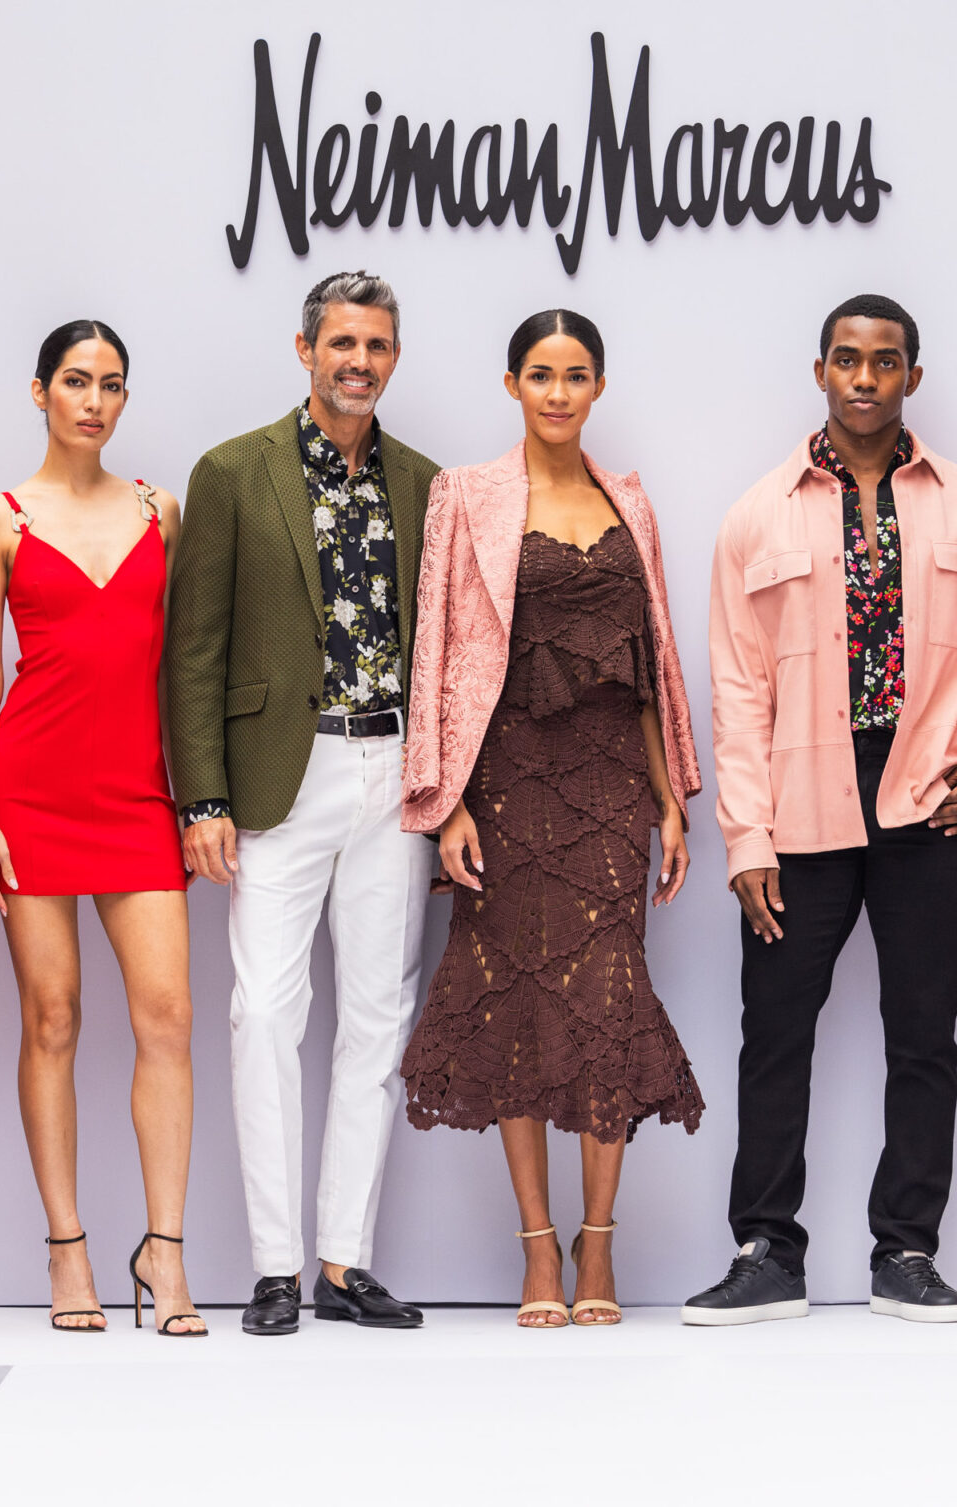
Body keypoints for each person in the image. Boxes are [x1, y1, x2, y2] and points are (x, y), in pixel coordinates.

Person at [685, 293, 957, 1327]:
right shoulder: (757, 515)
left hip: (930, 799)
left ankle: (907, 1250)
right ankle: (764, 1252)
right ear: (821, 370)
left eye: (885, 361)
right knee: (774, 1030)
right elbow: (736, 693)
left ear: (913, 376)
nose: (865, 377)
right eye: (847, 359)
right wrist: (746, 838)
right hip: (801, 804)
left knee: (924, 1031)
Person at [398, 309, 706, 1329]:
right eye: (541, 374)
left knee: (608, 999)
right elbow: (439, 655)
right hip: (508, 785)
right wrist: (444, 808)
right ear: (512, 385)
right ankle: (538, 1248)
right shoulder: (466, 496)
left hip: (615, 784)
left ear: (599, 388)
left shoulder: (632, 504)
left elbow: (652, 669)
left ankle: (599, 1246)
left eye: (577, 376)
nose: (559, 393)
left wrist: (670, 801)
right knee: (516, 1008)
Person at [165, 271, 442, 1337]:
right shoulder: (234, 472)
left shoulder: (421, 483)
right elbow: (193, 652)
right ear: (303, 349)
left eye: (374, 345)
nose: (356, 362)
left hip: (391, 777)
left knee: (377, 1021)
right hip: (280, 778)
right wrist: (203, 797)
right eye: (339, 343)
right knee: (266, 1015)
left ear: (394, 358)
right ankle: (274, 1266)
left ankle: (341, 1263)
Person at [0, 320, 200, 1337]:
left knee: (167, 1019)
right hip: (32, 788)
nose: (92, 401)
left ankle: (167, 1252)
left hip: (136, 791)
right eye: (74, 382)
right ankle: (67, 1249)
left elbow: (178, 664)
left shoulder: (161, 511)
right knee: (51, 1018)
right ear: (39, 393)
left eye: (109, 385)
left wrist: (198, 801)